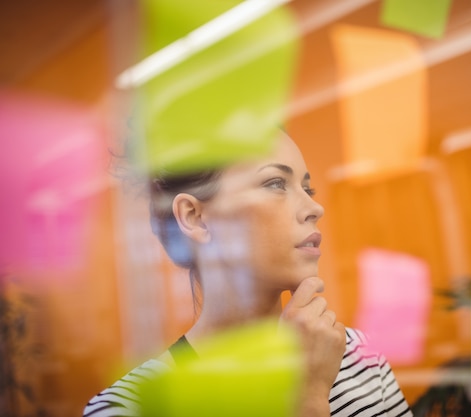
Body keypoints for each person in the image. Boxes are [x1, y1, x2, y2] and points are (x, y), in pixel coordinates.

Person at [83, 129, 413, 417]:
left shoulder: (357, 353)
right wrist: (309, 398)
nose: (315, 208)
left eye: (307, 189)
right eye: (275, 183)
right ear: (195, 217)